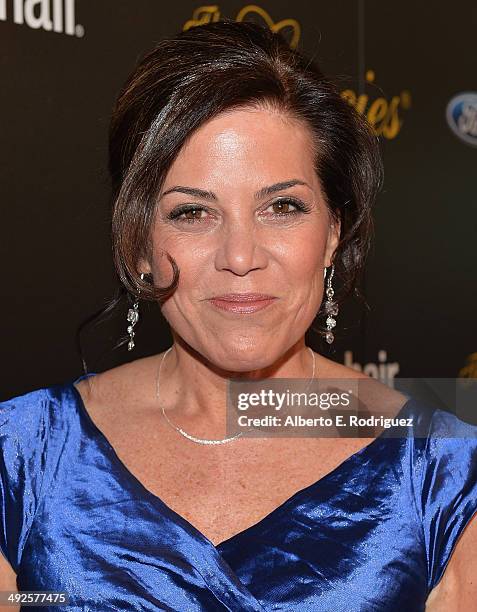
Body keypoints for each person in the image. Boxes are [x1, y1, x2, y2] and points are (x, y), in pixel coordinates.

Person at [1, 19, 476, 612]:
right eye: (192, 214)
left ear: (332, 234)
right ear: (139, 245)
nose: (241, 257)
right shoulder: (22, 455)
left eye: (282, 206)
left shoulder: (443, 468)